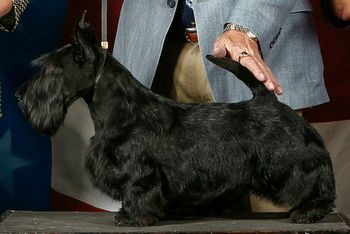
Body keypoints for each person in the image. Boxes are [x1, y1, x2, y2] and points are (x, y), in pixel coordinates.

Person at [113, 1, 328, 212]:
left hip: (259, 44)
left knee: (273, 211)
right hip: (155, 55)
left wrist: (244, 27)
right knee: (166, 214)